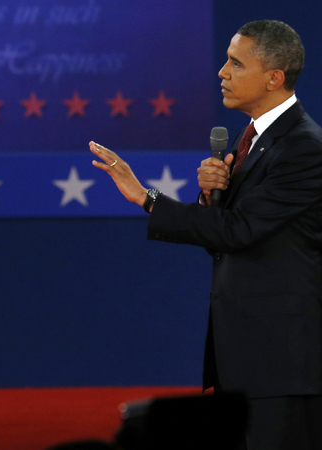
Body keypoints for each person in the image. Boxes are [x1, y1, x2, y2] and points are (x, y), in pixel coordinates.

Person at [89, 20, 322, 449]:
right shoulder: (254, 139)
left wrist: (147, 198)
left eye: (236, 63)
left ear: (274, 78)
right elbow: (235, 233)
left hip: (282, 360)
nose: (222, 72)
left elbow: (240, 231)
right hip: (249, 354)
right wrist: (211, 197)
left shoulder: (303, 147)